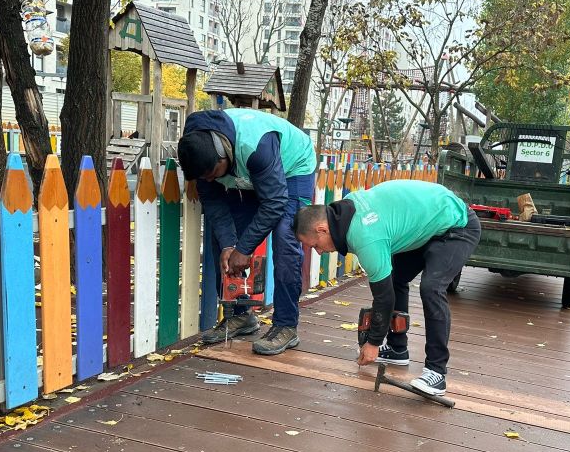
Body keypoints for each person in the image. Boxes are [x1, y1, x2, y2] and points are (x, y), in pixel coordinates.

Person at [293, 179, 481, 396]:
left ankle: (436, 372)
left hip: (457, 225)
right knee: (396, 278)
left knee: (431, 288)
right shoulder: (344, 212)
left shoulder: (365, 237)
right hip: (429, 224)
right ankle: (397, 348)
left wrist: (373, 342)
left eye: (315, 245)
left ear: (323, 229)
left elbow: (384, 299)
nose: (317, 252)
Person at [178, 108, 316, 355]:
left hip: (293, 167)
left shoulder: (256, 145)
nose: (208, 181)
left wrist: (243, 249)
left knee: (286, 238)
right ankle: (241, 316)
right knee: (223, 241)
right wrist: (231, 245)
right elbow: (214, 204)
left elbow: (274, 203)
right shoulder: (197, 151)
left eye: (211, 175)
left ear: (223, 156)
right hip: (251, 172)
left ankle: (286, 325)